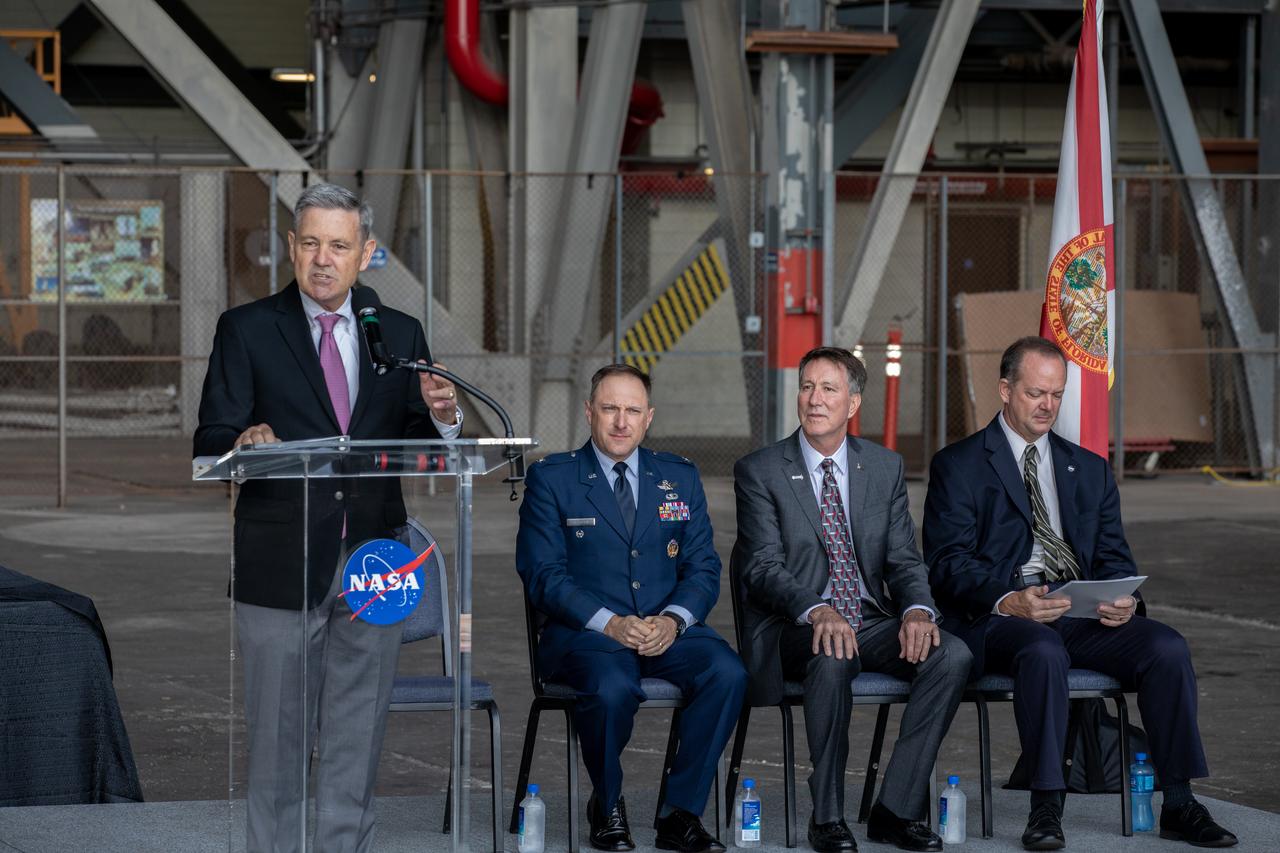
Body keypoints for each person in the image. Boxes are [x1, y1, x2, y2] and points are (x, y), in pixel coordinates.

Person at [193, 183, 463, 853]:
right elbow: (211, 439)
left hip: (375, 563)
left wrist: (445, 414)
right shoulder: (247, 328)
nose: (322, 258)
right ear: (290, 246)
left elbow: (421, 448)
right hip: (279, 563)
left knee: (355, 745)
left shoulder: (396, 335)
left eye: (339, 245)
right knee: (278, 750)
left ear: (366, 253)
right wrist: (244, 444)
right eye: (310, 242)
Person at [923, 336, 1237, 851]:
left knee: (1167, 648)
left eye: (1056, 394)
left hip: (1078, 609)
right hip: (1000, 615)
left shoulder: (1087, 467)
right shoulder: (959, 465)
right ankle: (1047, 804)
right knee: (1042, 649)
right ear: (1005, 390)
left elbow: (1114, 554)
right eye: (1035, 393)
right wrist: (1010, 598)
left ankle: (1179, 802)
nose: (1047, 405)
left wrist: (1123, 598)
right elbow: (947, 566)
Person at [731, 347, 970, 853]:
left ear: (853, 403)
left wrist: (917, 611)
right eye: (807, 387)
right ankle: (829, 815)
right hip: (793, 624)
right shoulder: (761, 470)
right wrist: (818, 609)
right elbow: (762, 570)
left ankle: (896, 809)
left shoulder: (882, 467)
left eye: (829, 389)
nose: (814, 399)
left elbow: (904, 559)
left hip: (868, 618)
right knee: (832, 652)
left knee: (952, 653)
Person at [516, 364, 747, 853]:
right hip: (586, 636)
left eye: (632, 411)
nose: (621, 422)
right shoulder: (552, 479)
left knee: (726, 672)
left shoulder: (679, 478)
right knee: (612, 686)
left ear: (648, 418)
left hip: (667, 630)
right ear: (589, 412)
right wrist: (612, 624)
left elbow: (703, 566)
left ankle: (679, 813)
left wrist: (673, 620)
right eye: (610, 408)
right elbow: (542, 576)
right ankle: (607, 801)